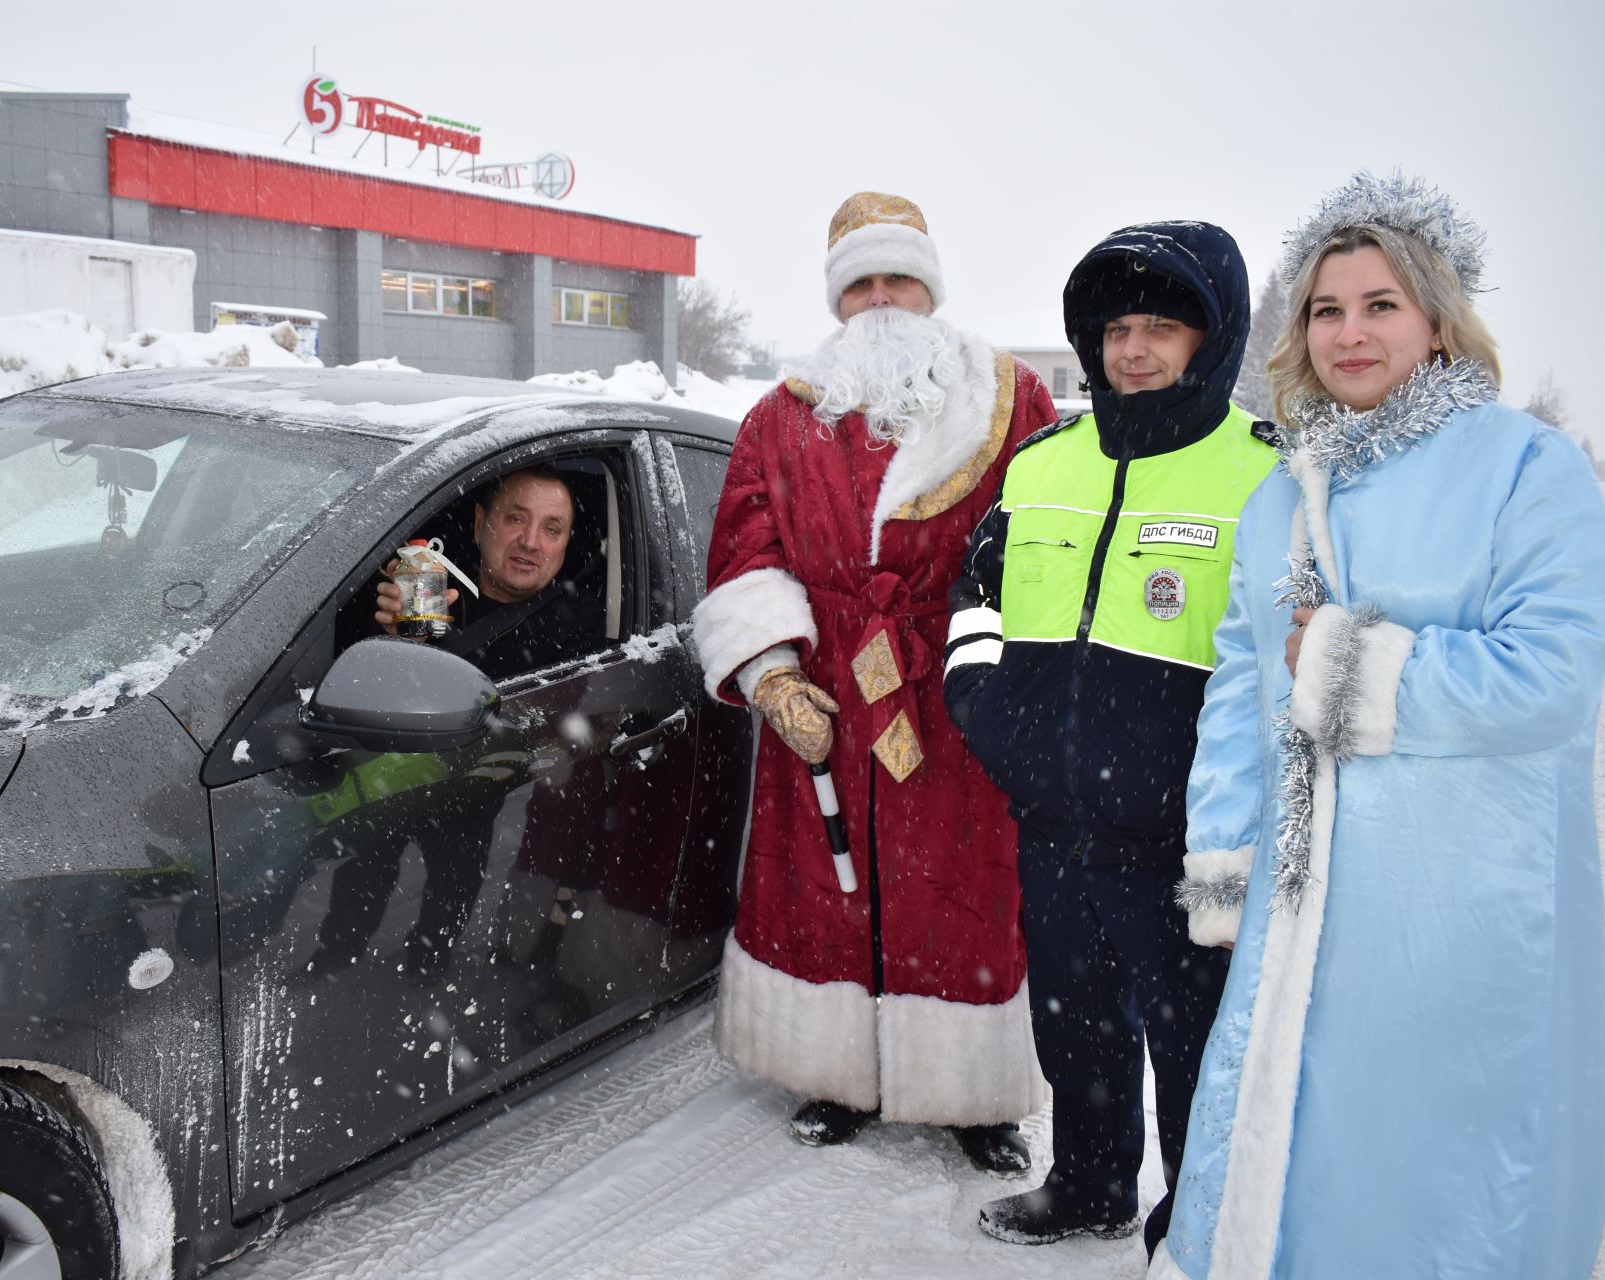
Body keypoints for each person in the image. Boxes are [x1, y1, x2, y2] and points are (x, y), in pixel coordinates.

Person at [1149, 173, 1605, 1279]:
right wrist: (1223, 856)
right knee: (1283, 1163)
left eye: (1381, 303)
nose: (1350, 332)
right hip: (1300, 913)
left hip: (1466, 914)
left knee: (1442, 1184)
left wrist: (1352, 665)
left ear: (1438, 316)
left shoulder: (1525, 464)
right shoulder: (1281, 492)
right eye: (1325, 308)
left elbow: (1555, 673)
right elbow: (1238, 687)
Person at [691, 191, 1054, 1173]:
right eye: (862, 282)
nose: (882, 299)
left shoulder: (1009, 399)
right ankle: (836, 1075)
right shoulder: (780, 418)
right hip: (830, 687)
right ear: (838, 298)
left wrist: (1011, 670)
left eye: (899, 278)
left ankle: (976, 1096)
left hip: (959, 682)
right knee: (831, 887)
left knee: (966, 890)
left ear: (930, 290)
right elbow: (745, 553)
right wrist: (772, 677)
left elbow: (1044, 544)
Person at [943, 220, 1276, 1252]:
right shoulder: (1043, 464)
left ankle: (1195, 1216)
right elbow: (975, 606)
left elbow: (1279, 653)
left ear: (1210, 339)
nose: (1133, 350)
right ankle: (1090, 1182)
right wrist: (986, 713)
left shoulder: (1263, 472)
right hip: (1055, 817)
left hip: (1188, 836)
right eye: (1118, 327)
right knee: (1075, 1020)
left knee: (1194, 1042)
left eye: (1161, 328)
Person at [373, 466, 601, 680]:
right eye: (516, 519)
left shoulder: (583, 625)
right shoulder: (431, 586)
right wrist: (407, 643)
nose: (530, 542)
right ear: (480, 523)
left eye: (552, 529)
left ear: (566, 542)